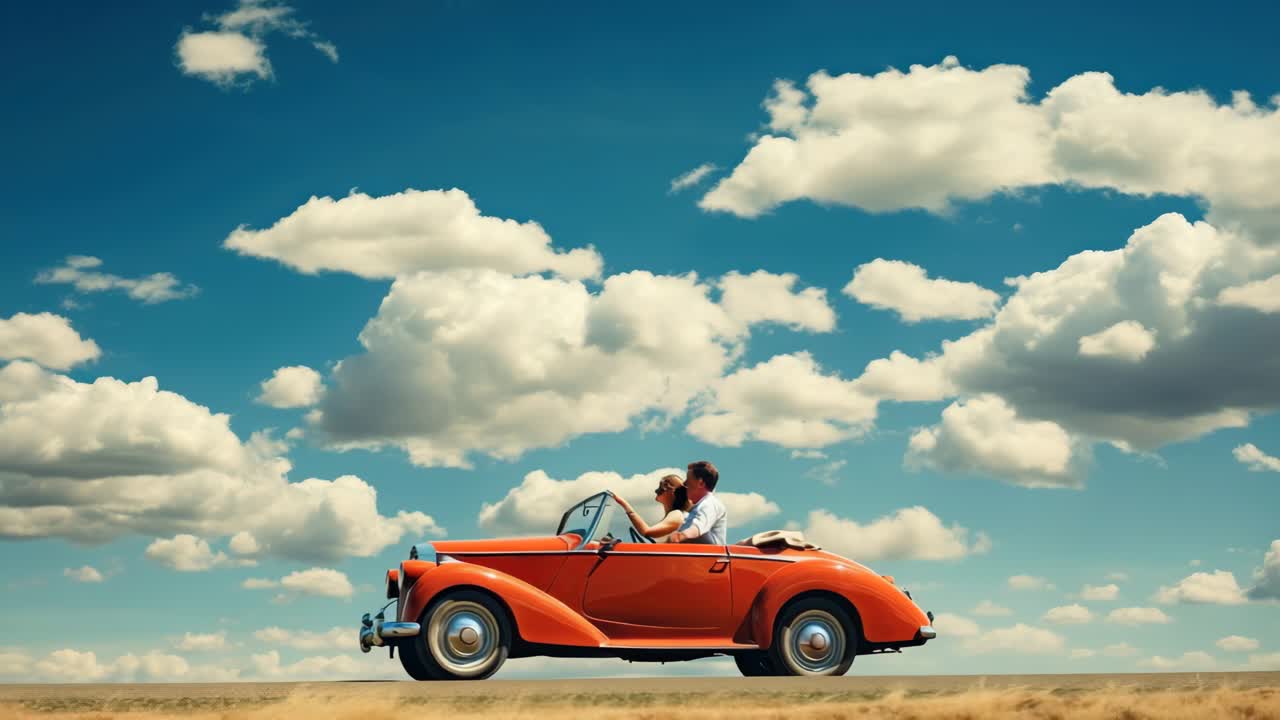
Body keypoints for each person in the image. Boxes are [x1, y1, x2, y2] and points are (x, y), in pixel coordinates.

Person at [611, 474, 690, 542]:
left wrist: (623, 503)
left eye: (660, 487)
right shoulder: (673, 515)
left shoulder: (676, 514)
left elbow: (646, 532)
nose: (656, 491)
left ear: (670, 491)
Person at [669, 460, 727, 545]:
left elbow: (698, 527)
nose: (684, 484)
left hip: (710, 553)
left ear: (701, 483)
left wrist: (680, 536)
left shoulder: (710, 504)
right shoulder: (696, 509)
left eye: (688, 480)